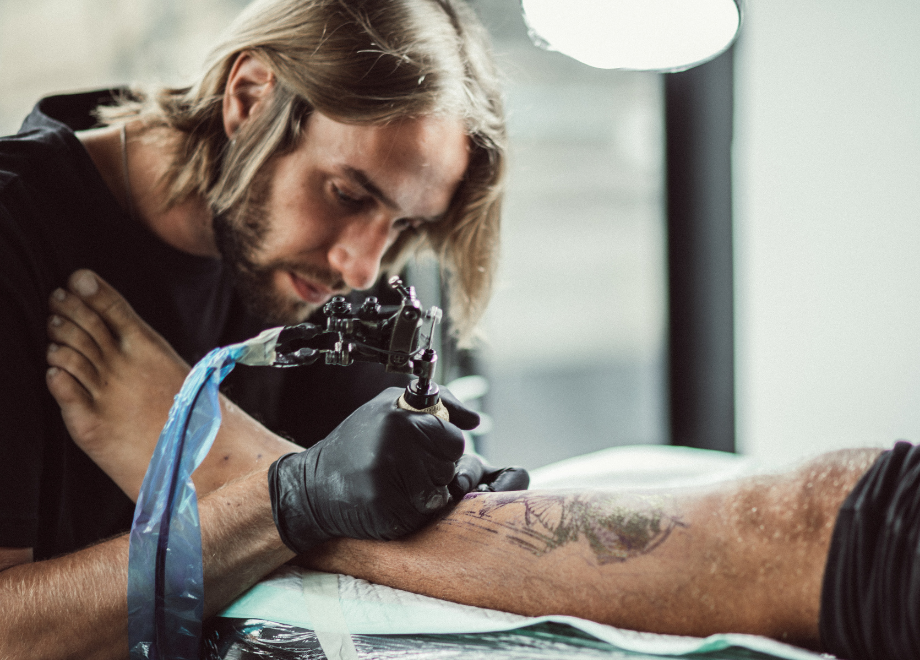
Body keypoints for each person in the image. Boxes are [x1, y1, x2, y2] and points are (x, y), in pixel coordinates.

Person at [0, 0, 527, 657]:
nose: (360, 265)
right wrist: (280, 503)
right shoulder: (15, 238)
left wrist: (432, 493)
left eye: (403, 224)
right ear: (248, 97)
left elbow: (375, 537)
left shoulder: (321, 275)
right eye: (347, 194)